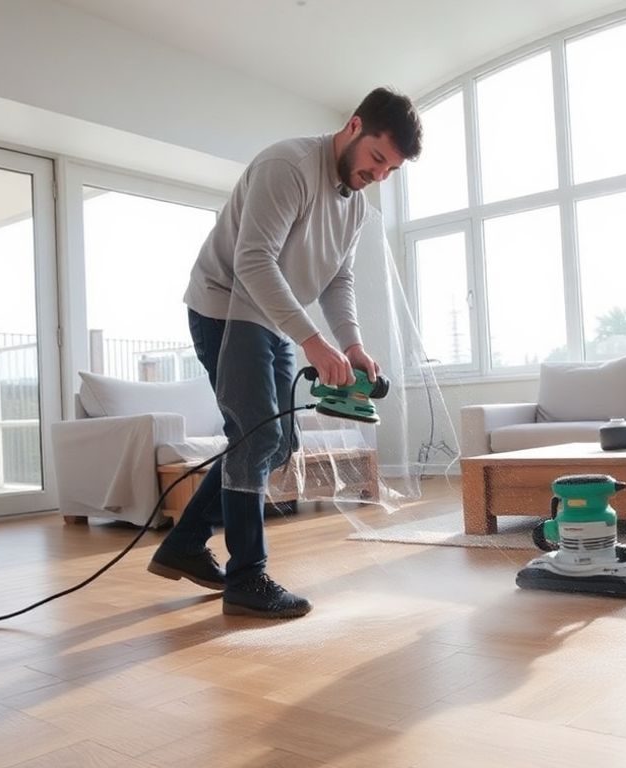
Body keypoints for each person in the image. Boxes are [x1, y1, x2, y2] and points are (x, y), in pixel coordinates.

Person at [146, 87, 422, 619]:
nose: (379, 175)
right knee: (257, 434)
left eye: (391, 170)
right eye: (377, 159)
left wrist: (351, 343)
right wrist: (312, 340)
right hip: (226, 305)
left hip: (270, 311)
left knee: (280, 441)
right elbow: (253, 262)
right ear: (354, 126)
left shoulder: (356, 206)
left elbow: (337, 279)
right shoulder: (288, 166)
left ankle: (185, 541)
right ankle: (247, 578)